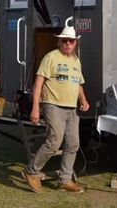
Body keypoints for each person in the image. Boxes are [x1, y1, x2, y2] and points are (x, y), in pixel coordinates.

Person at [21, 21, 90, 193]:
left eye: (71, 41)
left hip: (71, 108)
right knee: (54, 140)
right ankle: (31, 171)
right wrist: (35, 108)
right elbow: (38, 83)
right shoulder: (51, 57)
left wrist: (83, 100)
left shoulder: (76, 61)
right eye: (65, 40)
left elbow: (78, 83)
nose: (68, 43)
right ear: (59, 42)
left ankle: (65, 180)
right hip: (52, 105)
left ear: (75, 43)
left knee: (73, 143)